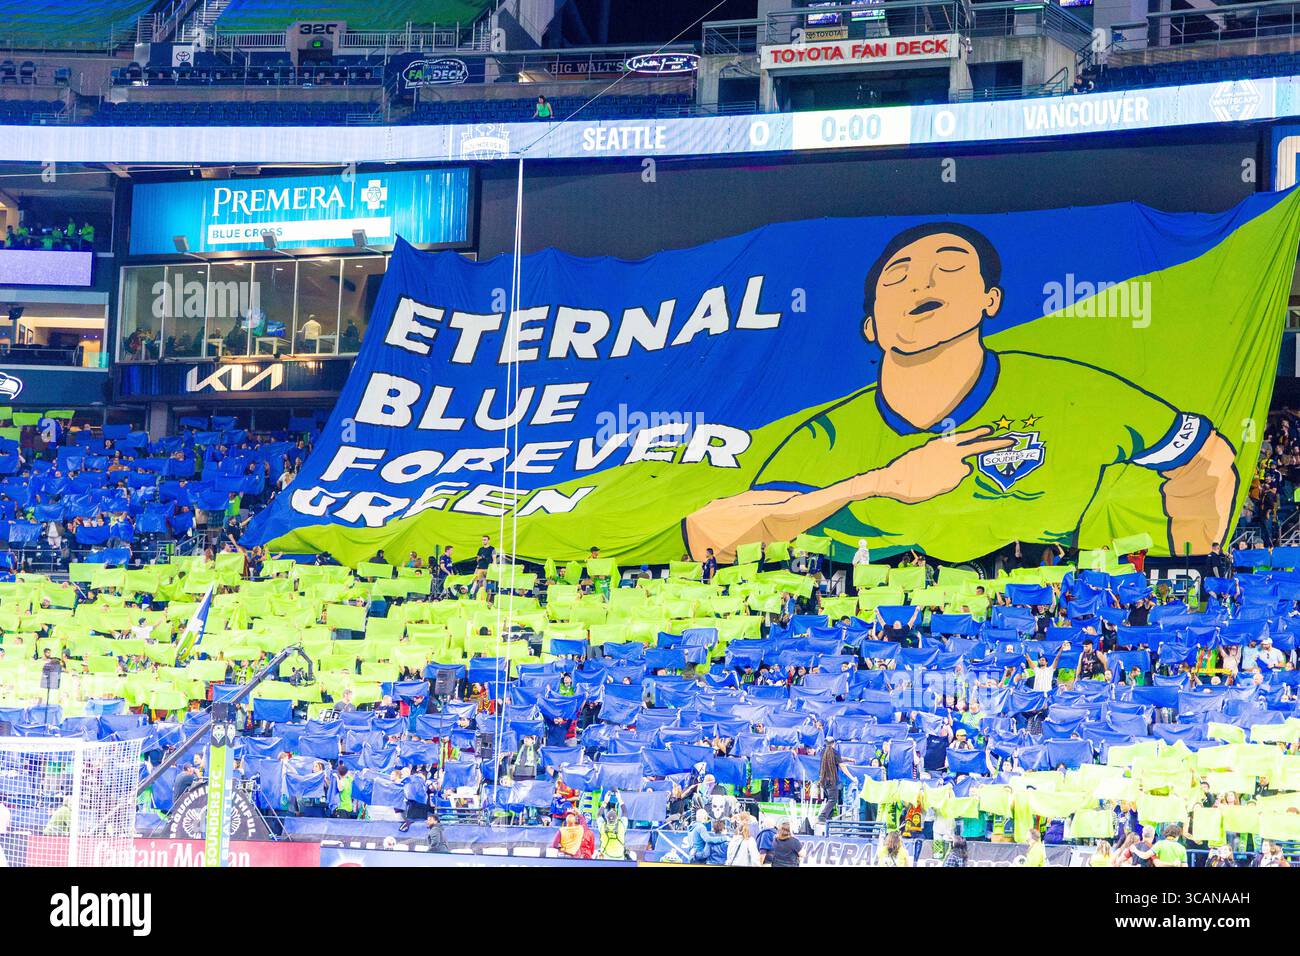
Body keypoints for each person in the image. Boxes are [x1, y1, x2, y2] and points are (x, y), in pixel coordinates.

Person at [685, 221, 1238, 562]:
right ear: (871, 327)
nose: (922, 283)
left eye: (949, 268)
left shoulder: (1072, 389)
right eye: (897, 276)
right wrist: (878, 483)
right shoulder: (825, 437)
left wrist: (1194, 570)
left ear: (989, 301)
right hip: (873, 637)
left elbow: (1206, 458)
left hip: (1039, 621)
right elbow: (710, 534)